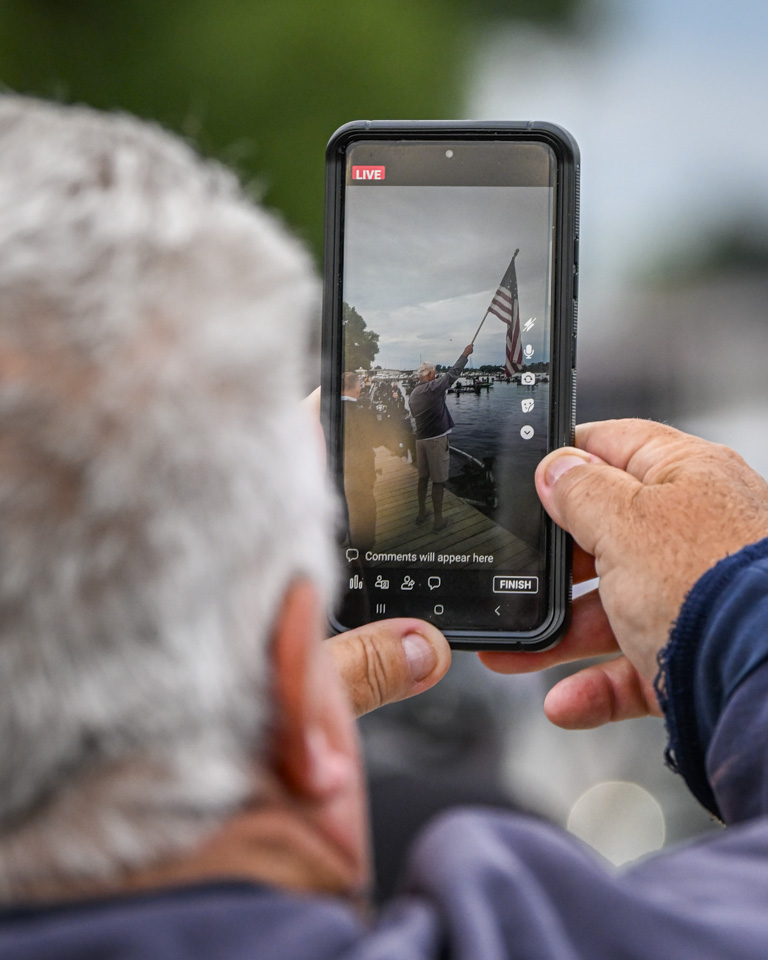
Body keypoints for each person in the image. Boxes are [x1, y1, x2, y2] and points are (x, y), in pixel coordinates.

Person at [6, 95, 768, 960]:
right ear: (301, 703)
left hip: (426, 460)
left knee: (435, 500)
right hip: (430, 469)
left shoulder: (423, 384)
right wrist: (737, 610)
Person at [408, 345, 473, 531]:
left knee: (423, 478)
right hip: (436, 441)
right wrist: (465, 355)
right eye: (435, 374)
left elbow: (415, 414)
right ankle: (438, 521)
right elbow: (452, 375)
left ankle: (422, 513)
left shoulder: (413, 394)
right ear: (429, 374)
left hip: (420, 440)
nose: (436, 376)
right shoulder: (432, 388)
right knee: (438, 481)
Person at [340, 371, 378, 550]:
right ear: (356, 388)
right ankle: (362, 552)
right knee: (364, 512)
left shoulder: (330, 410)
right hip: (360, 472)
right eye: (359, 385)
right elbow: (375, 439)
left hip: (338, 471)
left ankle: (344, 538)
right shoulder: (363, 412)